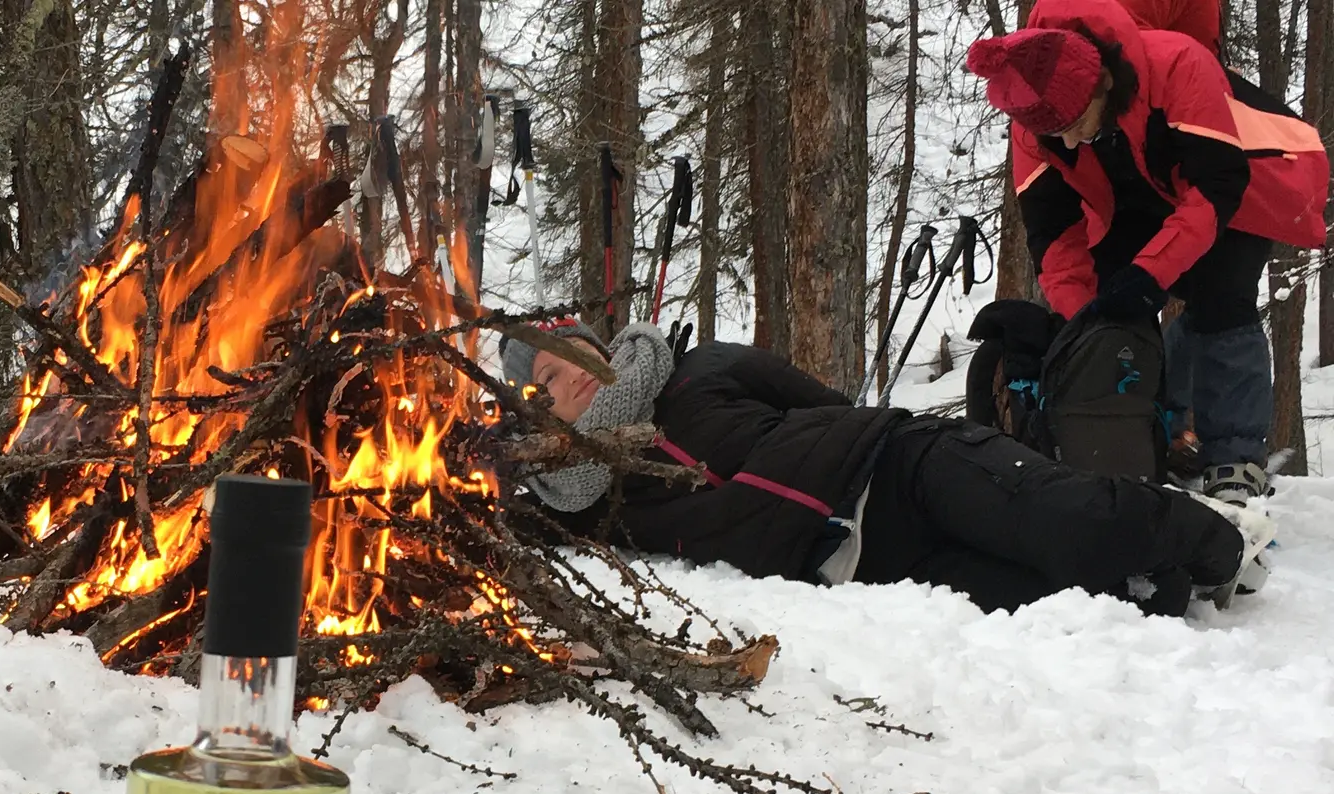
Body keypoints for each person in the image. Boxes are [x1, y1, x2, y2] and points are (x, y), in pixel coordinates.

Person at [500, 319, 1272, 615]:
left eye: (572, 357)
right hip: (869, 562)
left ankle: (1225, 546)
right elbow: (492, 507)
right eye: (544, 384)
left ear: (599, 349)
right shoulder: (578, 495)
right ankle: (1174, 579)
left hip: (902, 466)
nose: (568, 378)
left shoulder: (701, 369)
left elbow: (829, 402)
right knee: (1070, 599)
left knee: (1075, 523)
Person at [966, 0, 1327, 505]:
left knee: (1221, 299)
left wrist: (1151, 275)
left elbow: (1215, 188)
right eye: (1054, 134)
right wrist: (1086, 320)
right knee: (1112, 309)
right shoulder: (1035, 120)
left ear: (1103, 83)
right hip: (1131, 190)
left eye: (1073, 122)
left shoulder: (1178, 62)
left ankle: (1235, 460)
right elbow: (1053, 235)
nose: (1066, 139)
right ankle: (1155, 431)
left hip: (1230, 177)